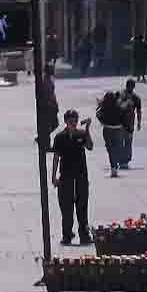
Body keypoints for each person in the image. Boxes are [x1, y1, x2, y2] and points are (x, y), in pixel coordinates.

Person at [51, 110, 95, 246]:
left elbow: (90, 146)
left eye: (75, 121)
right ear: (66, 122)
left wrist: (87, 129)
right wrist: (53, 177)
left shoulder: (81, 134)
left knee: (82, 206)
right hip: (65, 177)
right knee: (66, 208)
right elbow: (56, 157)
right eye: (71, 121)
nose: (73, 123)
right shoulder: (59, 137)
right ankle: (67, 235)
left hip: (81, 176)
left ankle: (84, 234)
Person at [96, 90, 126, 178]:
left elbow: (98, 114)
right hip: (118, 129)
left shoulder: (104, 107)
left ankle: (113, 167)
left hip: (107, 129)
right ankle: (115, 165)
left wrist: (102, 122)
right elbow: (124, 116)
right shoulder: (119, 106)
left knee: (110, 149)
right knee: (118, 148)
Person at [118, 78, 142, 169]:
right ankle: (123, 161)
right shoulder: (123, 95)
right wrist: (139, 123)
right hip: (125, 123)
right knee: (126, 142)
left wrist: (139, 123)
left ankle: (123, 161)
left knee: (124, 142)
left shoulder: (122, 95)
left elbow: (139, 111)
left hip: (124, 123)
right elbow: (139, 112)